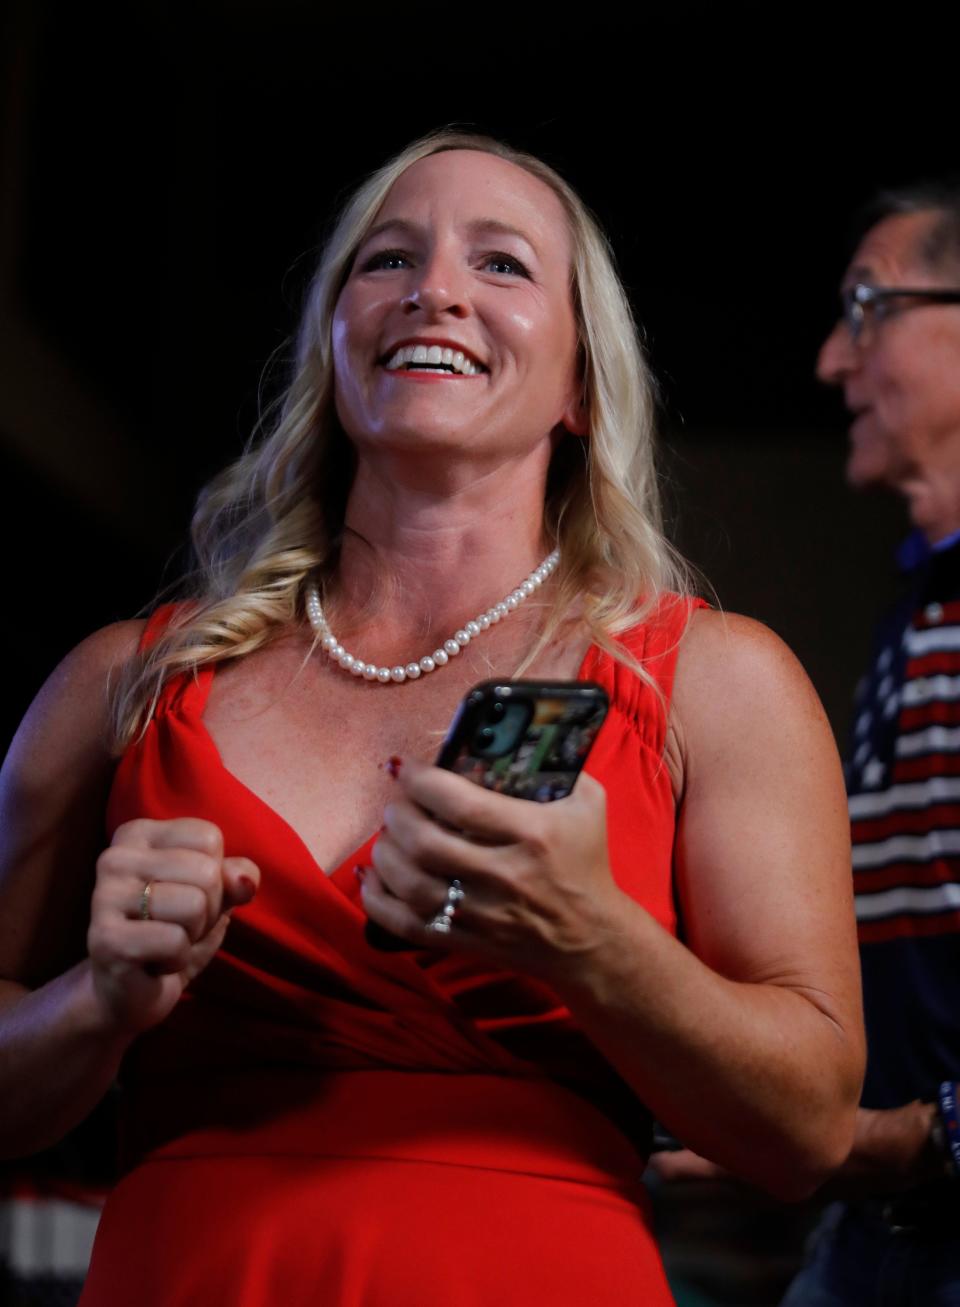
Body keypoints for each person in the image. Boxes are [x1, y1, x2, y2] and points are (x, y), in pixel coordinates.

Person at [0, 130, 863, 1307]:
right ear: (331, 343)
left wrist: (590, 938)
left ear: (578, 385)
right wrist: (91, 1004)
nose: (434, 289)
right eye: (385, 259)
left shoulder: (713, 680)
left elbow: (805, 1132)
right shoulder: (123, 683)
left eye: (502, 264)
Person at [781, 183, 960, 1305]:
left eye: (866, 308)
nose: (830, 363)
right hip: (884, 1239)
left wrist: (909, 1136)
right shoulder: (923, 605)